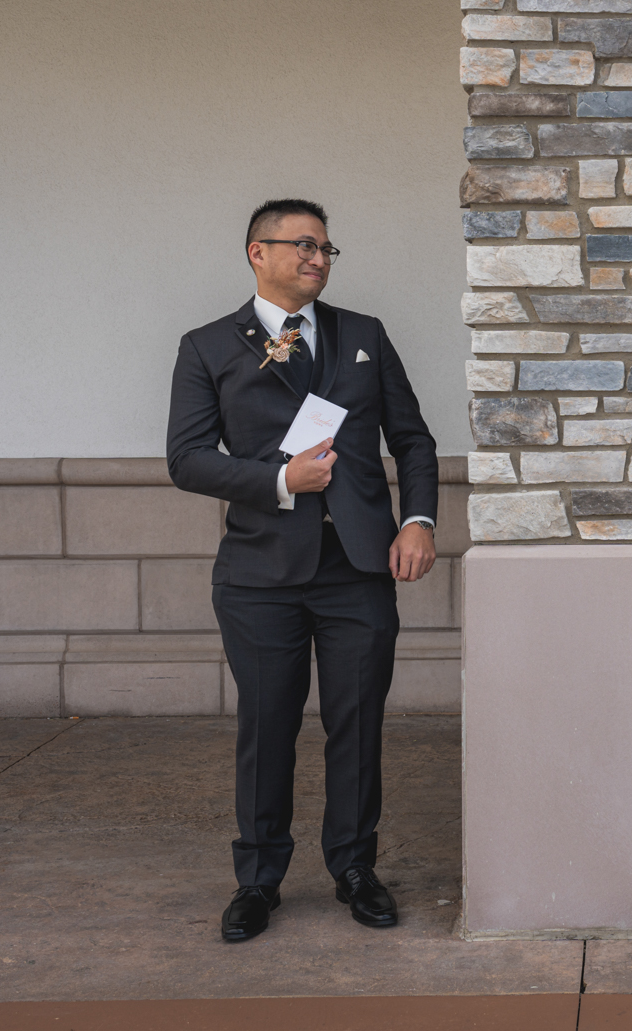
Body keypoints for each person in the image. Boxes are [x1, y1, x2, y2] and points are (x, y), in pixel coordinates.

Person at [167, 199, 438, 943]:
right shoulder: (208, 346)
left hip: (357, 567)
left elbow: (412, 439)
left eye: (326, 248)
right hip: (259, 573)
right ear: (258, 252)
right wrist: (283, 481)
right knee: (267, 725)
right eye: (304, 245)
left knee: (358, 724)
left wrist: (417, 519)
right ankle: (258, 878)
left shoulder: (364, 336)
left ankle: (354, 867)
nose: (318, 258)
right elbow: (186, 460)